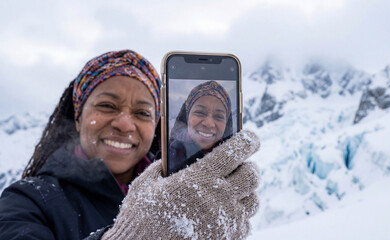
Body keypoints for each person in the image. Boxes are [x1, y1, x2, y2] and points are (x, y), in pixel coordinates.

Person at [0, 50, 261, 239]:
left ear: (156, 126)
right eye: (107, 106)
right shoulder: (26, 201)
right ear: (78, 117)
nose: (125, 124)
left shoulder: (189, 191)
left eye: (142, 113)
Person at [168, 80, 234, 174]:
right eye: (200, 112)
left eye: (219, 116)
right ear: (187, 116)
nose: (209, 124)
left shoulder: (233, 161)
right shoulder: (166, 158)